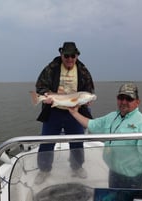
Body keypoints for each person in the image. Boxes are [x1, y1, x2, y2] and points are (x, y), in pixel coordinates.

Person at [68, 82, 142, 189]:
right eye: (121, 98)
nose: (123, 102)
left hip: (133, 178)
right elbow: (91, 124)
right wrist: (74, 113)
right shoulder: (111, 117)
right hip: (113, 172)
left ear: (137, 102)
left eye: (129, 99)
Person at [34, 42, 95, 185]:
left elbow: (89, 89)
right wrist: (45, 96)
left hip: (75, 112)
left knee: (77, 141)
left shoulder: (83, 70)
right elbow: (40, 85)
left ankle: (77, 167)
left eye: (72, 56)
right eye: (66, 56)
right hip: (54, 111)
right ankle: (44, 169)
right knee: (47, 141)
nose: (69, 59)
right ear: (61, 55)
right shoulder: (52, 68)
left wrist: (88, 100)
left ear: (77, 56)